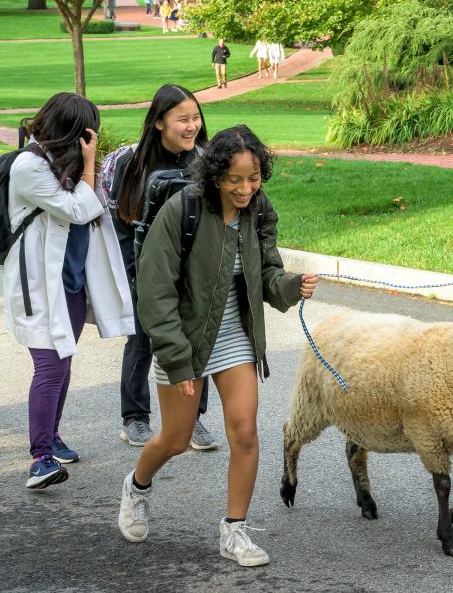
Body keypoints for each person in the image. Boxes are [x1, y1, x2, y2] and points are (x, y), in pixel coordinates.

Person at [118, 125, 318, 566]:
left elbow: (266, 274)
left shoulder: (259, 210)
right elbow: (155, 292)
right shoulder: (182, 210)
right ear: (214, 176)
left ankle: (234, 530)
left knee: (245, 433)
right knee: (175, 438)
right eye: (235, 180)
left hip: (234, 336)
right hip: (184, 338)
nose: (246, 189)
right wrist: (177, 358)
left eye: (254, 178)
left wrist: (289, 286)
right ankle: (136, 487)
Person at [3, 93, 134, 489]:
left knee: (64, 362)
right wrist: (91, 164)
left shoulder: (59, 163)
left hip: (69, 284)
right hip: (39, 287)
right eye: (85, 131)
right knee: (50, 366)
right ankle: (39, 459)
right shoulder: (29, 166)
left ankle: (52, 438)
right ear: (70, 131)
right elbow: (79, 209)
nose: (90, 139)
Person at [106, 84, 218, 450]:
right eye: (182, 119)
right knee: (141, 342)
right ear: (158, 122)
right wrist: (131, 274)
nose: (192, 126)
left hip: (193, 271)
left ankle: (192, 418)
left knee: (193, 343)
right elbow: (121, 222)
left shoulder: (204, 159)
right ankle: (135, 417)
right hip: (146, 270)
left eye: (196, 118)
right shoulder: (133, 163)